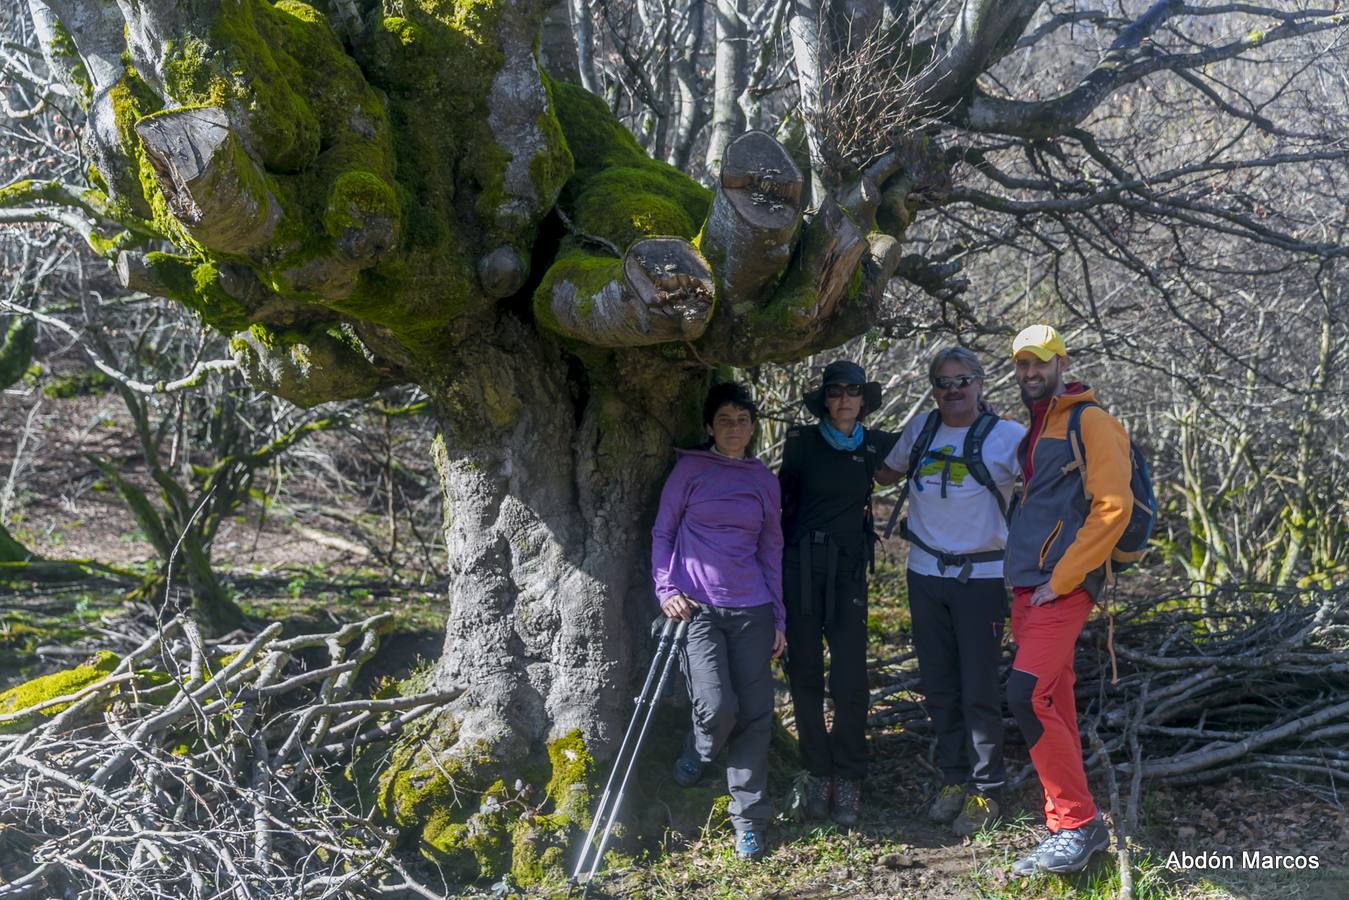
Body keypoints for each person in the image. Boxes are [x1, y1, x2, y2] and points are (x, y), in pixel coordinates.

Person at [874, 347, 1023, 836]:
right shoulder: (921, 429)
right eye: (943, 381)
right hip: (924, 573)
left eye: (962, 380)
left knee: (978, 687)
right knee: (938, 684)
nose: (953, 390)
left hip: (980, 578)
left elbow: (1047, 487)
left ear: (981, 383)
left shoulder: (1010, 438)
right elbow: (884, 472)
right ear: (933, 387)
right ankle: (955, 779)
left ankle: (988, 791)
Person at [1003, 324, 1131, 875]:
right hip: (1028, 588)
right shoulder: (1037, 426)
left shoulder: (1091, 421)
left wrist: (1066, 576)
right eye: (1023, 365)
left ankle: (1076, 823)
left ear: (1062, 362)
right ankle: (1070, 823)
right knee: (1052, 700)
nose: (1032, 373)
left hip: (1061, 587)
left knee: (1025, 696)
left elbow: (1113, 506)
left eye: (1041, 363)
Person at [651, 381, 786, 862]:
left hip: (753, 610)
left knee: (755, 717)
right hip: (699, 609)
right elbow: (663, 531)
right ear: (709, 427)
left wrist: (779, 617)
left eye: (743, 420)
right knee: (716, 706)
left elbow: (771, 550)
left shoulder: (762, 479)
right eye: (725, 419)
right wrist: (666, 590)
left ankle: (749, 821)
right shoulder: (689, 470)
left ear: (753, 427)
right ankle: (700, 749)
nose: (735, 428)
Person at [778, 360, 896, 826]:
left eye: (853, 391)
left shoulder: (875, 444)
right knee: (804, 676)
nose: (845, 399)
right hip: (801, 569)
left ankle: (849, 775)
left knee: (850, 680)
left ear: (863, 399)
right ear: (825, 399)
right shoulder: (801, 443)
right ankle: (816, 770)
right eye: (836, 391)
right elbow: (780, 506)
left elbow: (923, 447)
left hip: (848, 573)